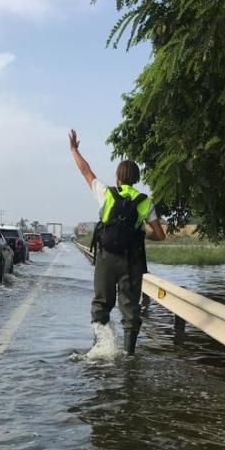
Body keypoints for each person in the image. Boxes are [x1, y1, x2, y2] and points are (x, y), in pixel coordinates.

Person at [68, 129, 165, 355]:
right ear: (137, 179)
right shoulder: (145, 201)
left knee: (101, 304)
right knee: (131, 310)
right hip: (131, 262)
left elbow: (86, 171)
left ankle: (101, 348)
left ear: (118, 177)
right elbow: (160, 235)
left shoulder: (107, 193)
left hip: (105, 258)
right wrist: (142, 232)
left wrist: (74, 149)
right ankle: (129, 356)